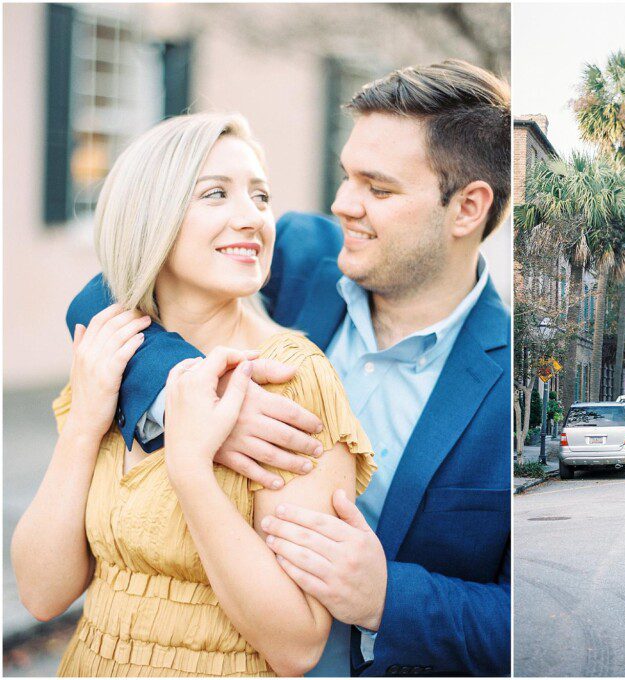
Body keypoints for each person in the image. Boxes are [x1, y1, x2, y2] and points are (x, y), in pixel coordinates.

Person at [65, 59, 511, 676]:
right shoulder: (298, 252)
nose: (343, 203)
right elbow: (113, 287)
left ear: (468, 209)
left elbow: (526, 619)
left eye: (378, 189)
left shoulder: (512, 379)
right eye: (346, 176)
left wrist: (391, 598)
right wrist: (193, 395)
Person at [12, 112, 377, 676]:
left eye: (261, 196)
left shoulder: (289, 379)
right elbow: (41, 594)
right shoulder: (116, 356)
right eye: (216, 194)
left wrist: (191, 472)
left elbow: (298, 644)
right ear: (149, 217)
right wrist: (85, 425)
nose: (251, 217)